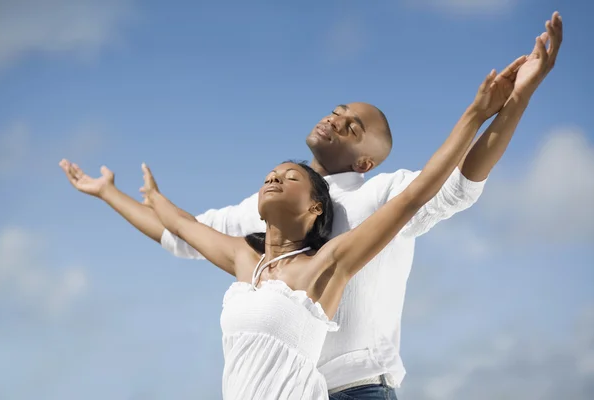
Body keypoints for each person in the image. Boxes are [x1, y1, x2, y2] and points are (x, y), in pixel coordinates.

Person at [59, 12, 562, 399]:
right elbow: (181, 232)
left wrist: (515, 99)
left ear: (365, 160)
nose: (335, 121)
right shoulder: (269, 211)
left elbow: (451, 181)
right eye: (337, 112)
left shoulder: (377, 193)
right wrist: (111, 193)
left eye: (352, 127)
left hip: (362, 387)